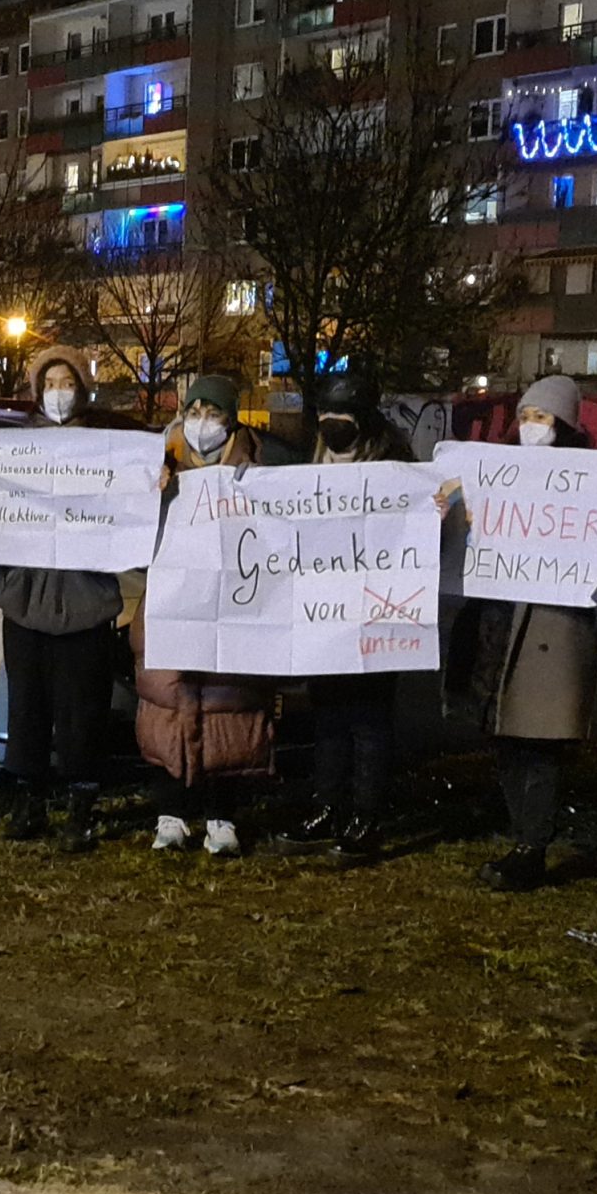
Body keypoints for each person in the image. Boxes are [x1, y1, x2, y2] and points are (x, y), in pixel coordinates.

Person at [451, 375, 597, 892]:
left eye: (542, 418)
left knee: (538, 741)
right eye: (525, 417)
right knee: (506, 736)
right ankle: (522, 834)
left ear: (564, 423)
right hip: (499, 617)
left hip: (550, 629)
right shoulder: (499, 471)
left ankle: (531, 846)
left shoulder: (591, 479)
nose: (531, 427)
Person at [0, 347, 122, 853]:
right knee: (28, 709)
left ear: (81, 391)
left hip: (85, 602)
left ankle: (80, 808)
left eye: (67, 383)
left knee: (82, 713)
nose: (58, 392)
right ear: (37, 392)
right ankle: (30, 801)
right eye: (50, 383)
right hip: (25, 599)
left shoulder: (109, 451)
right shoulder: (11, 449)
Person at [273, 370, 413, 865]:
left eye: (342, 418)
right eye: (325, 418)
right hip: (324, 611)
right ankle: (327, 806)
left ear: (364, 420)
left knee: (369, 720)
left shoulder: (396, 469)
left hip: (378, 611)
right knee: (328, 715)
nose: (332, 426)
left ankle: (366, 815)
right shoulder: (309, 467)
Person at [137, 372, 270, 856]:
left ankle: (222, 815)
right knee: (169, 707)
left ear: (231, 420)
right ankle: (170, 813)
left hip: (233, 609)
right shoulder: (159, 468)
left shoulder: (259, 471)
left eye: (212, 414)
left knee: (226, 709)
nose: (201, 423)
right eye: (193, 412)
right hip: (170, 607)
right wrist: (152, 493)